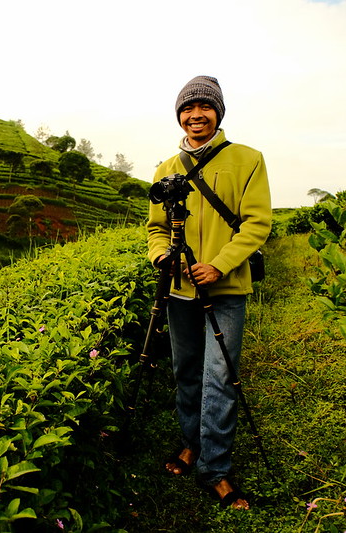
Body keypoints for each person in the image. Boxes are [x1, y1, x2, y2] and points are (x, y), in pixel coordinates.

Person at [146, 75, 272, 510]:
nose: (195, 115)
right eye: (187, 108)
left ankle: (216, 468)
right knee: (186, 370)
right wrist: (164, 257)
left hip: (227, 286)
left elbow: (257, 222)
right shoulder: (166, 169)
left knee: (220, 376)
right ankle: (190, 443)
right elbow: (156, 229)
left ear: (218, 112)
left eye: (204, 107)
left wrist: (219, 264)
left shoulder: (247, 159)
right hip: (180, 290)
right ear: (179, 115)